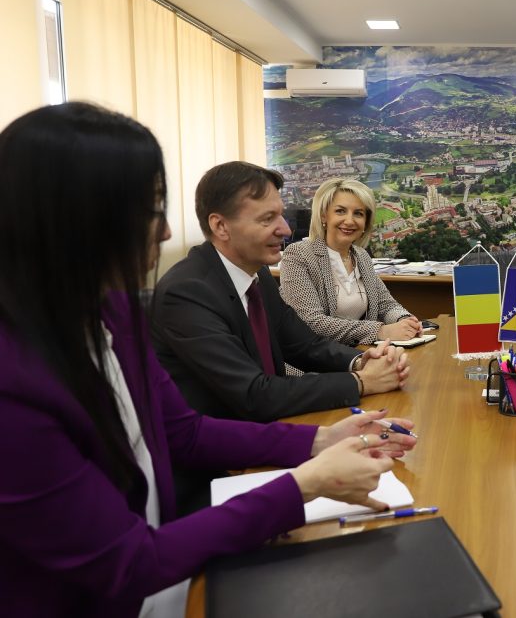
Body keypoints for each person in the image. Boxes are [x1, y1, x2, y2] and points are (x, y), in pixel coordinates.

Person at [0, 103, 418, 617]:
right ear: (76, 221)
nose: (164, 233)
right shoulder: (13, 384)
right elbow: (126, 564)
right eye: (149, 211)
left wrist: (322, 439)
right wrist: (304, 485)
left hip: (171, 557)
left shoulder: (116, 314)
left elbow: (185, 432)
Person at [152, 161, 410, 423]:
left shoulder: (259, 275)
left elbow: (303, 345)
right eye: (268, 219)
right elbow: (254, 394)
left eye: (281, 215)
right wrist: (361, 382)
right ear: (220, 226)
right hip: (229, 441)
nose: (286, 230)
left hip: (272, 424)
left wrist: (362, 361)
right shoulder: (186, 293)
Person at [280, 178, 421, 346]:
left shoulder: (361, 256)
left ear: (365, 222)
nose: (349, 221)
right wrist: (380, 331)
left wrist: (405, 320)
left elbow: (386, 304)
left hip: (359, 352)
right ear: (324, 215)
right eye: (340, 211)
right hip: (315, 359)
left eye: (358, 213)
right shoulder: (298, 255)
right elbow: (310, 322)